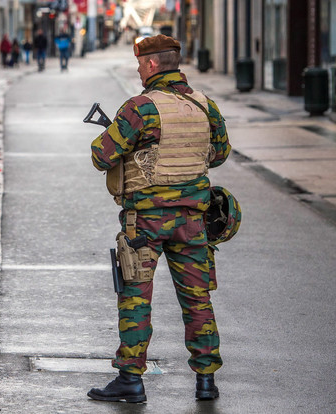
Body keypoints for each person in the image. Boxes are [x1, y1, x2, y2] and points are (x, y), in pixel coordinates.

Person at [87, 34, 231, 403]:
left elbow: (102, 156)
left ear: (151, 65)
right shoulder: (204, 106)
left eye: (139, 64)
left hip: (145, 224)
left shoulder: (141, 108)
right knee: (197, 300)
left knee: (135, 298)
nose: (138, 69)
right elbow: (219, 154)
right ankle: (206, 381)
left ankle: (131, 382)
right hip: (193, 222)